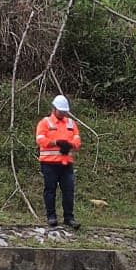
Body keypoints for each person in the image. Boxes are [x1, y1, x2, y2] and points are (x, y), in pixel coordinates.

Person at [36, 94, 81, 229]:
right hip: (49, 164)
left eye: (64, 111)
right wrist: (55, 142)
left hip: (66, 163)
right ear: (54, 109)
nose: (62, 113)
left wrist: (70, 145)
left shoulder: (71, 123)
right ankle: (51, 217)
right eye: (60, 111)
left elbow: (77, 140)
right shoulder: (45, 122)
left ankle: (69, 218)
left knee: (68, 190)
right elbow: (40, 140)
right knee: (50, 190)